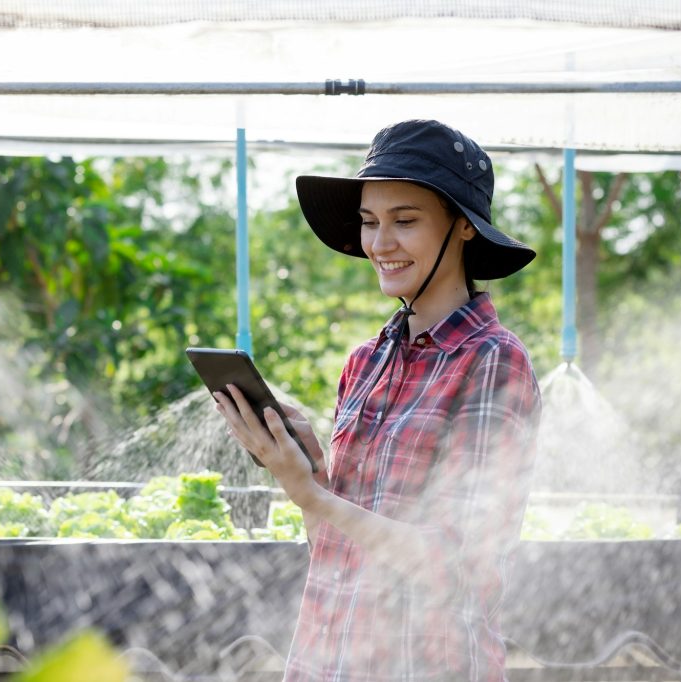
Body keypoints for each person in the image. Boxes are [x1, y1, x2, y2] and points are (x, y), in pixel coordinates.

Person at [213, 119, 542, 681]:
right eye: (369, 223)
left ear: (464, 227)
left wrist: (312, 497)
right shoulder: (366, 362)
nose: (379, 244)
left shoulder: (491, 363)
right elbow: (334, 546)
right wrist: (308, 470)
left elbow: (457, 566)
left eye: (404, 221)